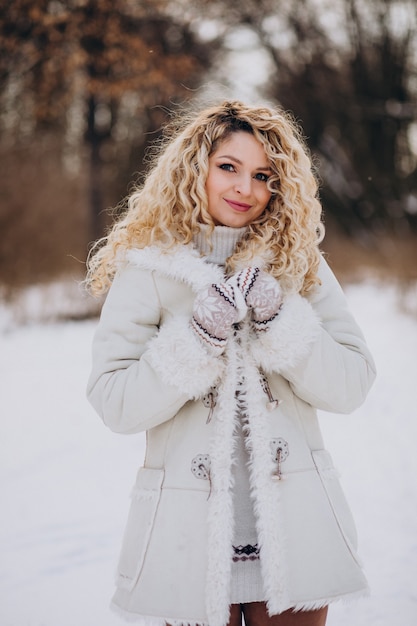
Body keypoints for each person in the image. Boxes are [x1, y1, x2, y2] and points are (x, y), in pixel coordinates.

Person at [85, 100, 376, 626]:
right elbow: (115, 404)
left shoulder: (299, 264)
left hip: (295, 535)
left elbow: (353, 385)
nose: (245, 188)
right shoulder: (148, 268)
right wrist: (196, 338)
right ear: (193, 168)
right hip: (186, 541)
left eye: (263, 175)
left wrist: (279, 318)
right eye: (228, 167)